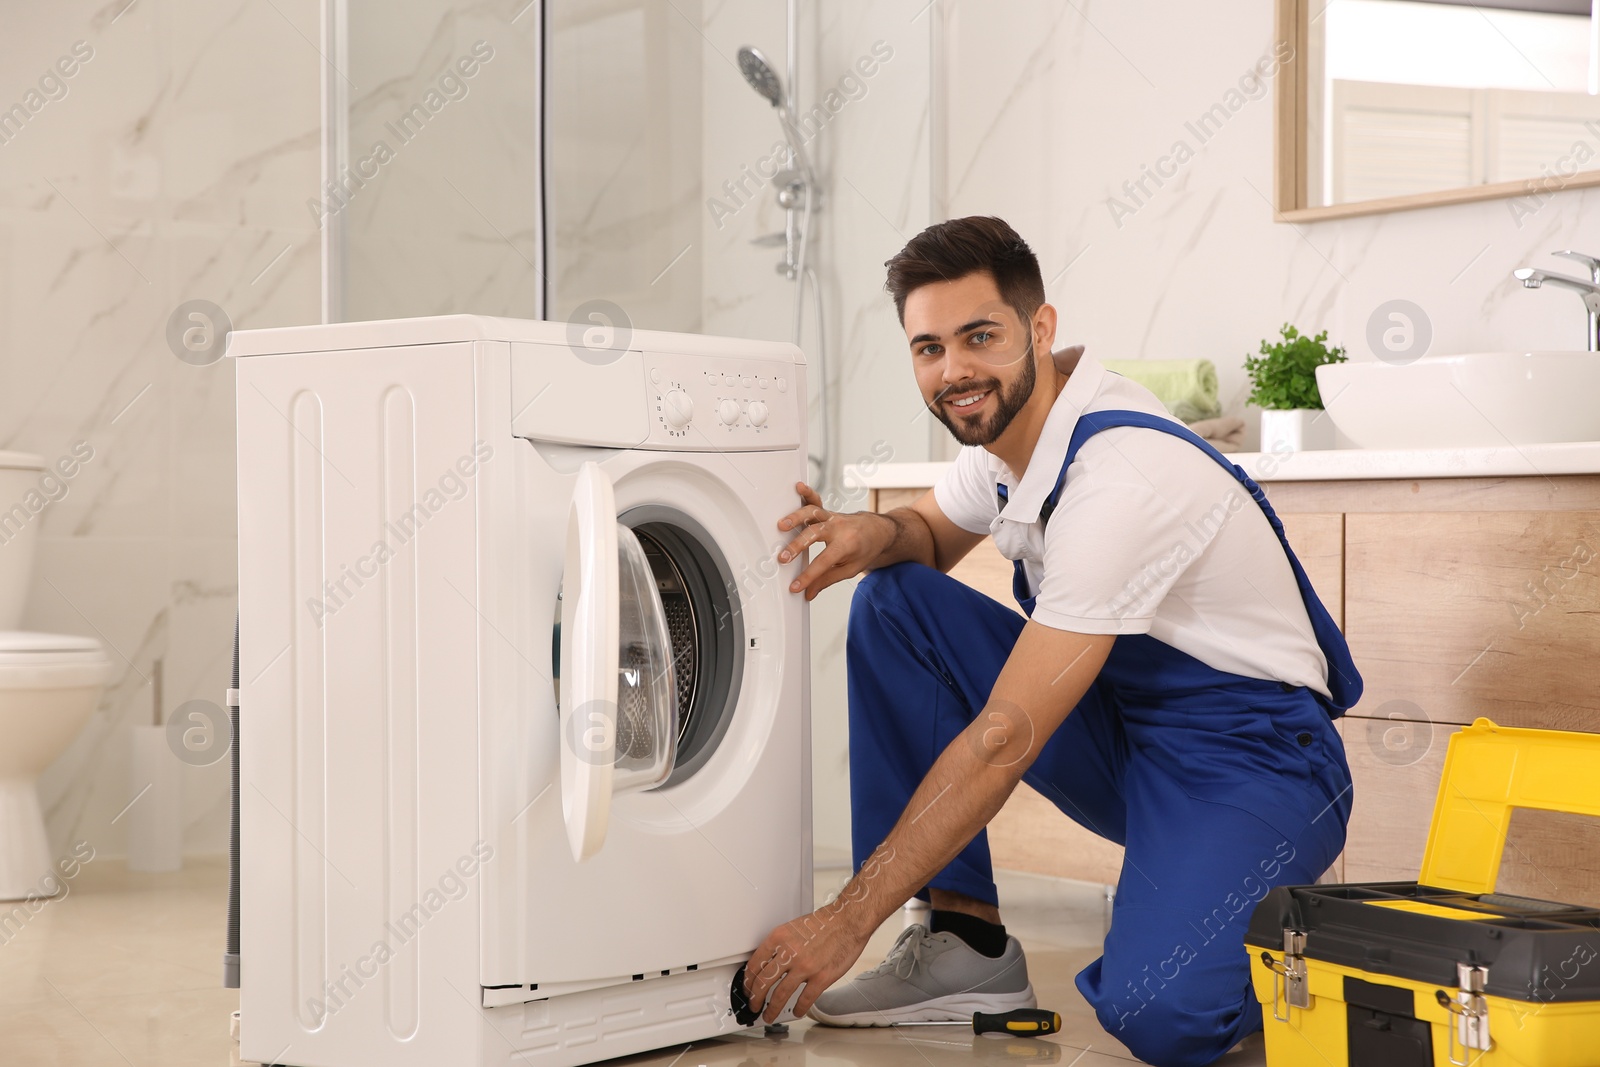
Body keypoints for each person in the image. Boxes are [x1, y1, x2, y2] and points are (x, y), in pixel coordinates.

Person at [741, 216, 1360, 1067]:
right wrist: (868, 533)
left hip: (1253, 757)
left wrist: (845, 920)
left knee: (1162, 1014)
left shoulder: (1119, 476)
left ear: (1041, 329)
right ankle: (965, 945)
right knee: (894, 601)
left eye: (978, 337)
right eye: (929, 348)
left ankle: (1288, 927)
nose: (953, 370)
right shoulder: (1011, 435)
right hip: (1127, 732)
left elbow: (1007, 735)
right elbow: (925, 530)